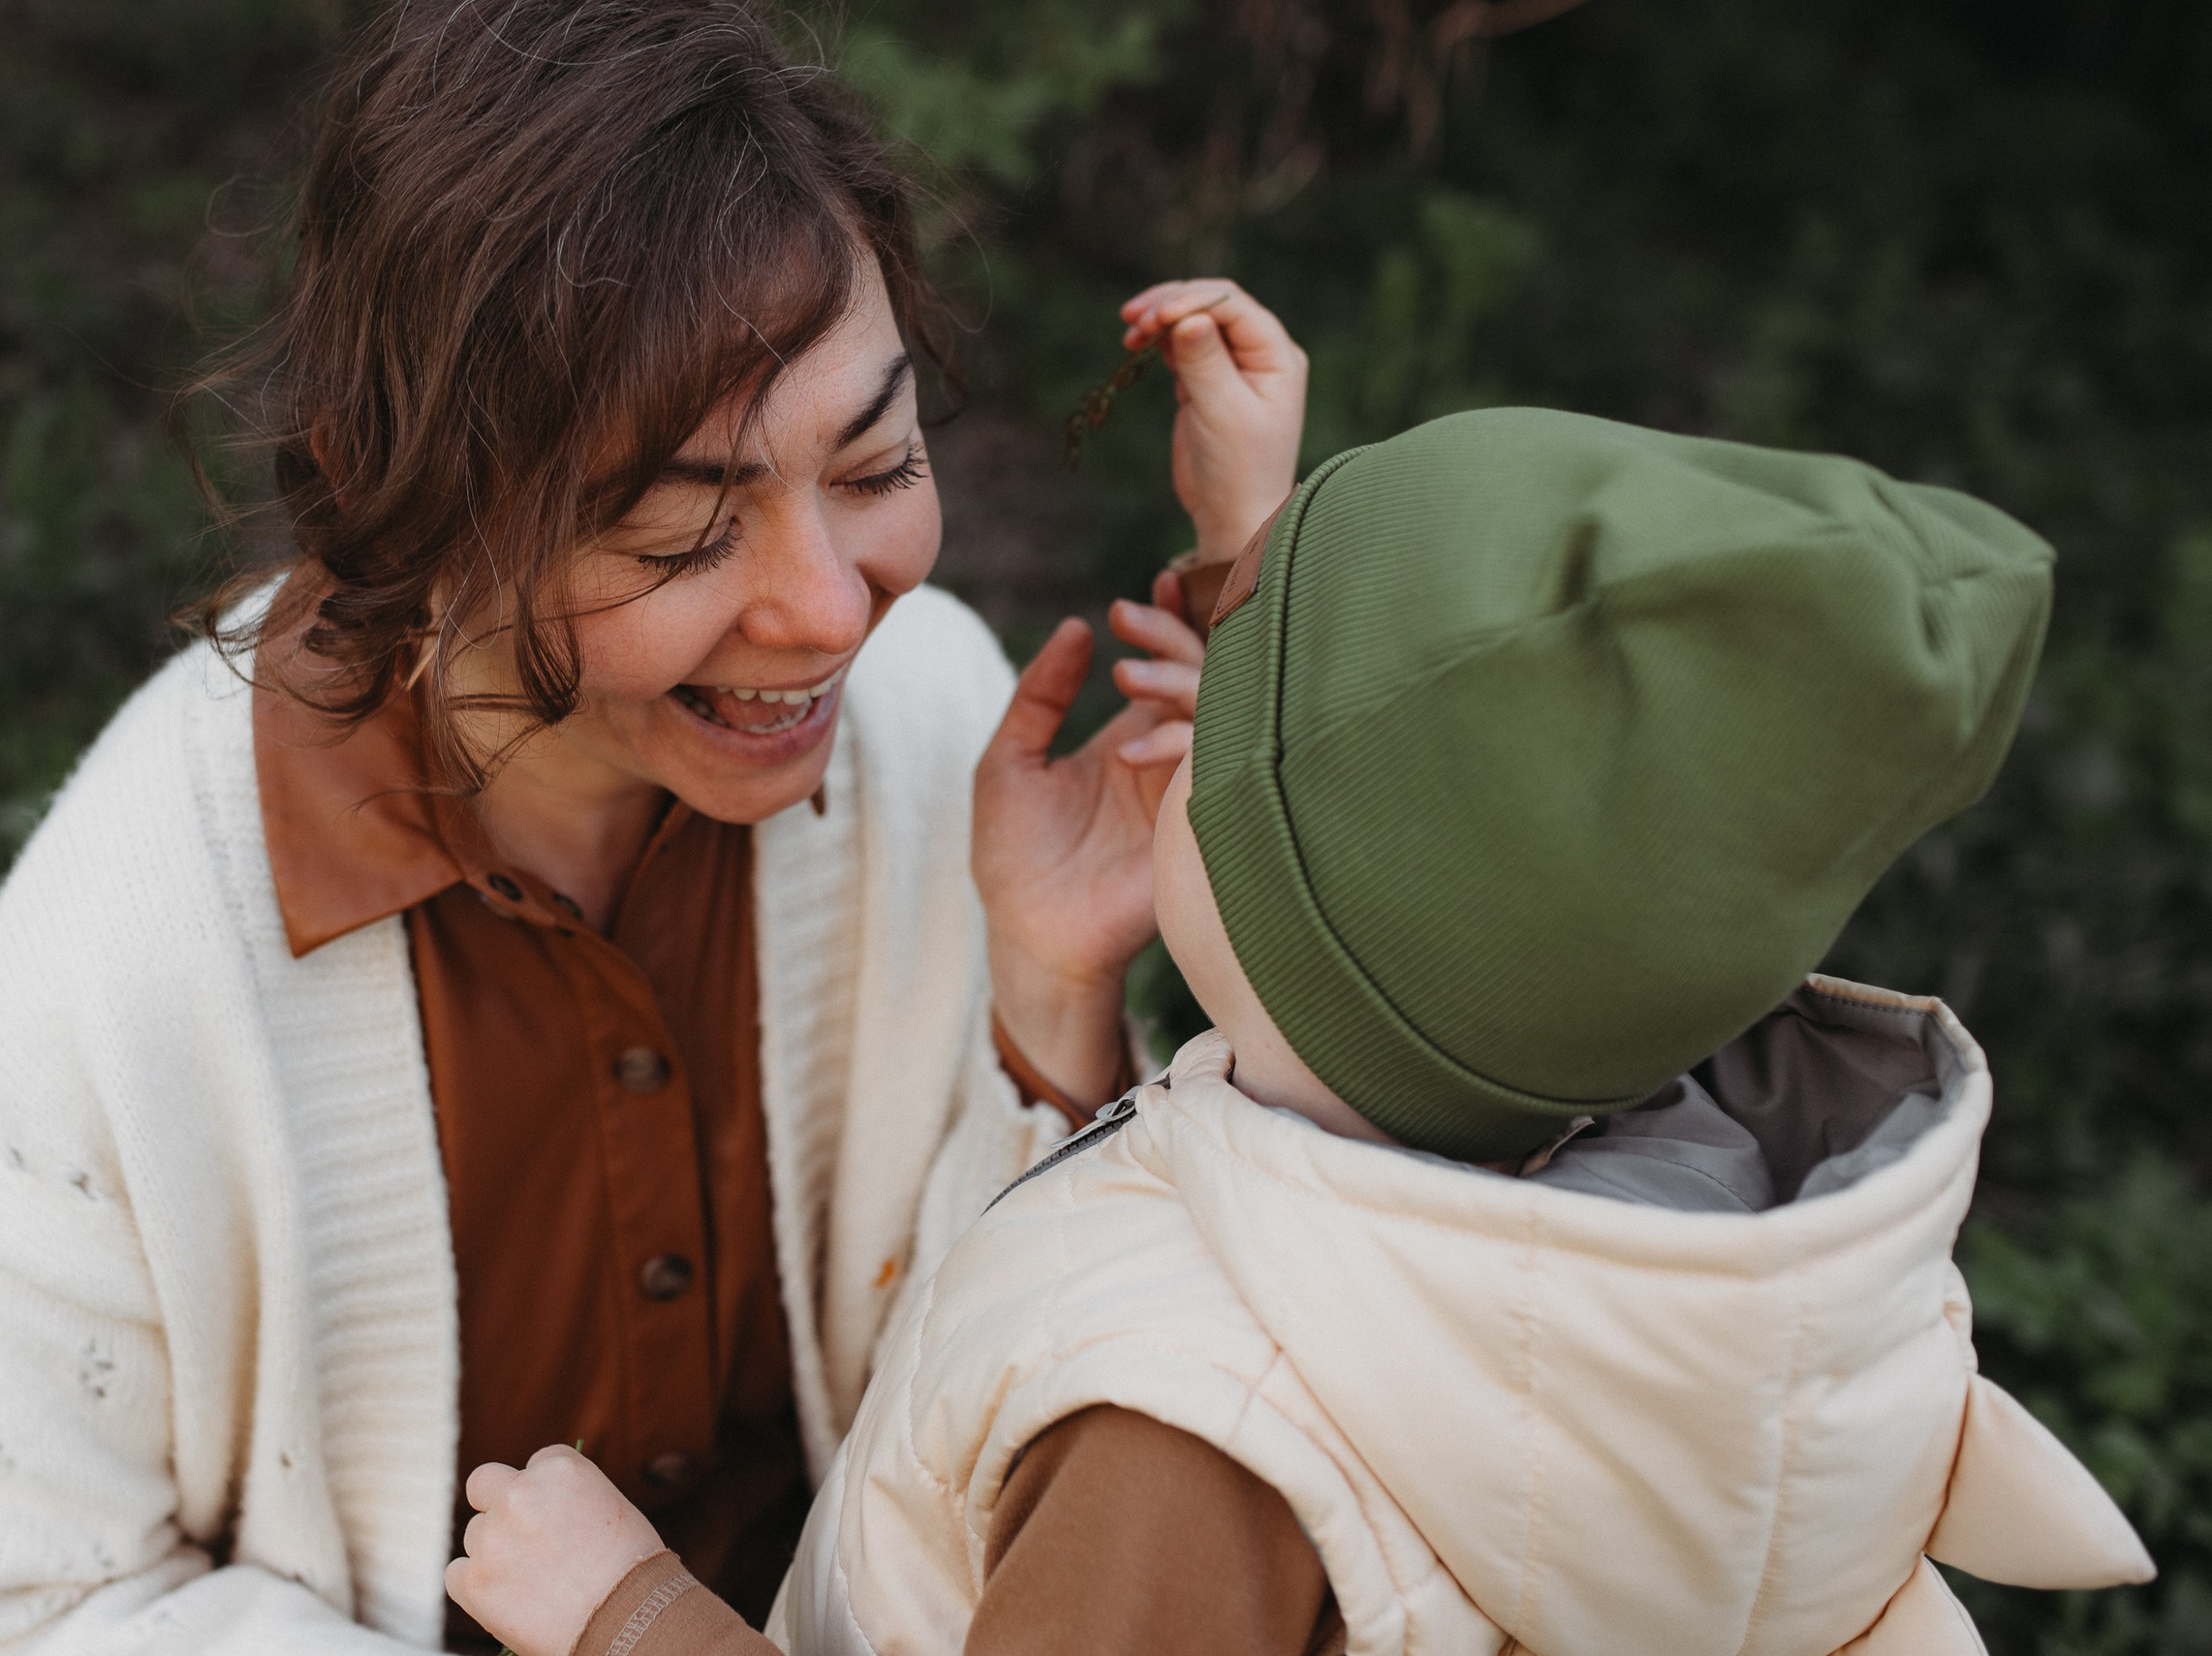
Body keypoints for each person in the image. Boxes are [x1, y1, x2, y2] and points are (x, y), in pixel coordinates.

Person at [0, 3, 1307, 1652]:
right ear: (399, 493)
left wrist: (1046, 1000)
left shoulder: (932, 727)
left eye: (877, 459)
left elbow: (1026, 1416)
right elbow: (9, 1612)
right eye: (686, 536)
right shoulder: (120, 951)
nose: (830, 612)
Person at [446, 410, 2159, 1656]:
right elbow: (1439, 821)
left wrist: (633, 1614)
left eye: (1229, 708)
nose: (1181, 708)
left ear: (1309, 901)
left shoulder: (1186, 1439)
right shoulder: (1684, 1243)